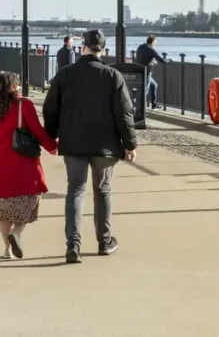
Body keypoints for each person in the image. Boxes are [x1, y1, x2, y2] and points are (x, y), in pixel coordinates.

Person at [43, 30, 137, 264]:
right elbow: (124, 113)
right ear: (102, 51)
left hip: (73, 143)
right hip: (105, 145)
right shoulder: (112, 76)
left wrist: (51, 136)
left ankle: (72, 245)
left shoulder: (65, 75)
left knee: (75, 190)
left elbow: (51, 109)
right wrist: (130, 143)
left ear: (82, 48)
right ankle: (104, 241)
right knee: (102, 190)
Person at [0, 73, 57, 260]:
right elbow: (37, 130)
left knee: (1, 210)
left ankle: (7, 250)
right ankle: (17, 233)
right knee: (29, 200)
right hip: (21, 164)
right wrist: (52, 147)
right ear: (14, 88)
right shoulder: (23, 105)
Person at [134, 35, 168, 109]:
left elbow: (143, 58)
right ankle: (140, 109)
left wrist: (153, 62)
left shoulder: (141, 47)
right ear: (153, 41)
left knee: (154, 85)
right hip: (147, 73)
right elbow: (162, 60)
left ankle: (154, 104)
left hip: (140, 71)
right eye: (155, 42)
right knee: (144, 91)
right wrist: (169, 60)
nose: (155, 43)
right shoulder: (150, 49)